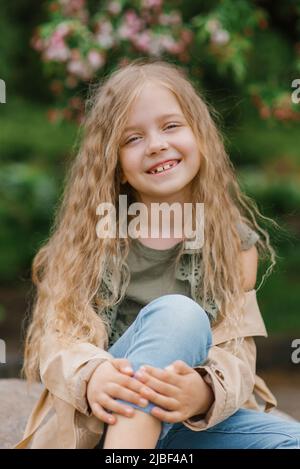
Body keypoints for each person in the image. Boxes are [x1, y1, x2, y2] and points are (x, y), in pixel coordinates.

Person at [15, 59, 300, 449]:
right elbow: (57, 340)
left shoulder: (232, 245)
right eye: (132, 138)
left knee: (290, 441)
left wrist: (201, 392)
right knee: (179, 314)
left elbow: (235, 351)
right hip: (103, 422)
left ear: (199, 136)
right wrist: (93, 374)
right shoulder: (92, 238)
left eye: (171, 126)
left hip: (184, 422)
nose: (156, 145)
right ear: (114, 166)